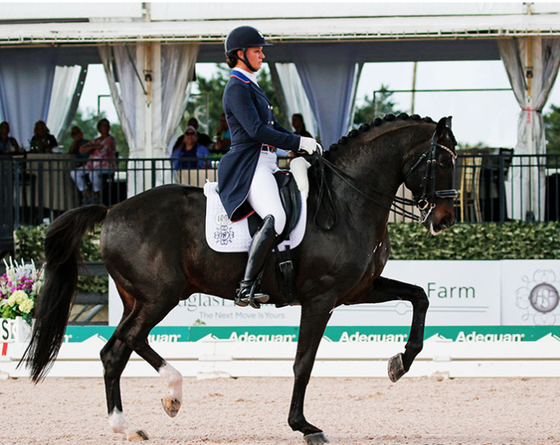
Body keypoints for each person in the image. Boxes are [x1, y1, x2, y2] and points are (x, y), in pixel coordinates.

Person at [218, 25, 320, 308]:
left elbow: (273, 127)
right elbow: (255, 130)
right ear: (240, 54)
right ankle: (246, 287)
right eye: (257, 50)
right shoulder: (236, 87)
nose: (262, 55)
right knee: (275, 215)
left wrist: (299, 143)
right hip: (249, 166)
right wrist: (296, 139)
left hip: (267, 161)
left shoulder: (251, 85)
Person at [70, 118, 116, 204]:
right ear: (99, 128)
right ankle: (88, 195)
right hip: (92, 165)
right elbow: (82, 149)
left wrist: (91, 148)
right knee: (74, 173)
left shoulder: (110, 140)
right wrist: (94, 147)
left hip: (107, 166)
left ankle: (96, 195)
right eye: (103, 126)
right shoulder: (96, 140)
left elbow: (103, 152)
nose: (105, 128)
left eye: (107, 126)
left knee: (93, 173)